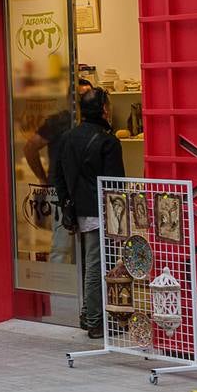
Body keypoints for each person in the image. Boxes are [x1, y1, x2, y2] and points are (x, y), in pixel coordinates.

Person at [54, 87, 125, 339]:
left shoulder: (68, 138)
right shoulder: (108, 141)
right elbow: (116, 186)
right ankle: (95, 319)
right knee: (98, 265)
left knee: (91, 263)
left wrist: (66, 206)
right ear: (104, 109)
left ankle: (89, 312)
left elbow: (58, 176)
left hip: (78, 208)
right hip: (102, 211)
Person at [24, 78, 92, 263]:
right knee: (62, 246)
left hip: (86, 190)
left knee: (88, 247)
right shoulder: (59, 121)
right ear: (69, 98)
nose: (85, 99)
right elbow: (30, 147)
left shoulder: (92, 124)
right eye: (80, 95)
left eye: (89, 95)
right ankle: (58, 289)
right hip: (60, 190)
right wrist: (42, 178)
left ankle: (83, 289)